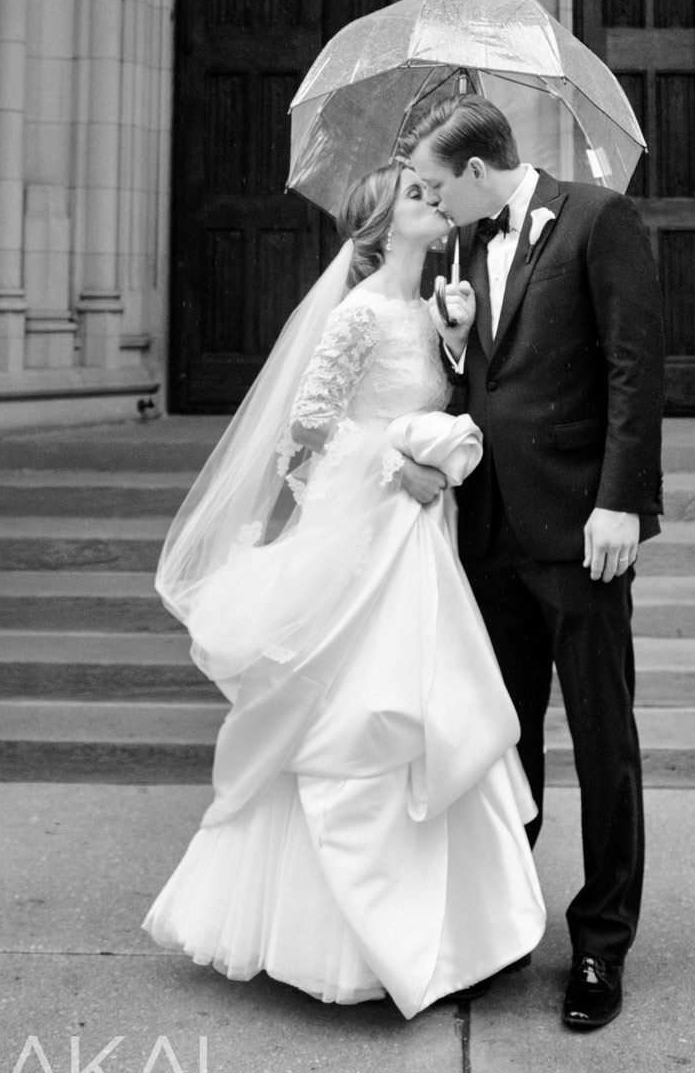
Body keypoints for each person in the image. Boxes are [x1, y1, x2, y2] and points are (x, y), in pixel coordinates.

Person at [144, 161, 546, 1016]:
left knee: (435, 711)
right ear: (377, 228)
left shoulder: (432, 309)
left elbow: (448, 402)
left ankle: (449, 936)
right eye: (417, 195)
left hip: (422, 543)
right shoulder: (358, 314)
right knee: (366, 718)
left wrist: (457, 339)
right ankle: (337, 941)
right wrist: (397, 466)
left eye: (437, 193)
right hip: (368, 540)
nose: (436, 201)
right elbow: (306, 436)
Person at [407, 97, 664, 1032]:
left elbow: (636, 366)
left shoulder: (599, 219)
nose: (431, 206)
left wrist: (621, 501)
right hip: (491, 537)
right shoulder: (461, 252)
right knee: (504, 746)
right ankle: (504, 931)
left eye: (437, 187)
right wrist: (452, 335)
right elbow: (484, 384)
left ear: (477, 173)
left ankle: (600, 945)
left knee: (603, 745)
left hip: (581, 531)